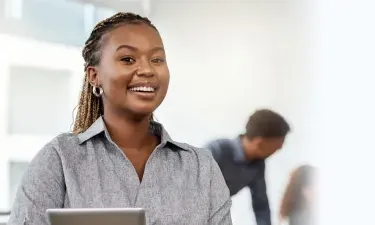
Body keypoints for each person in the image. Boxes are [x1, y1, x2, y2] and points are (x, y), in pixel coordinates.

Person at [8, 12, 232, 225]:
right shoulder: (59, 160)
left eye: (157, 59)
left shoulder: (202, 167)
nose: (147, 70)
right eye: (127, 59)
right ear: (94, 76)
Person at [206, 109, 290, 225]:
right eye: (277, 146)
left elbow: (261, 206)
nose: (279, 149)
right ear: (260, 142)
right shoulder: (217, 150)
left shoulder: (258, 165)